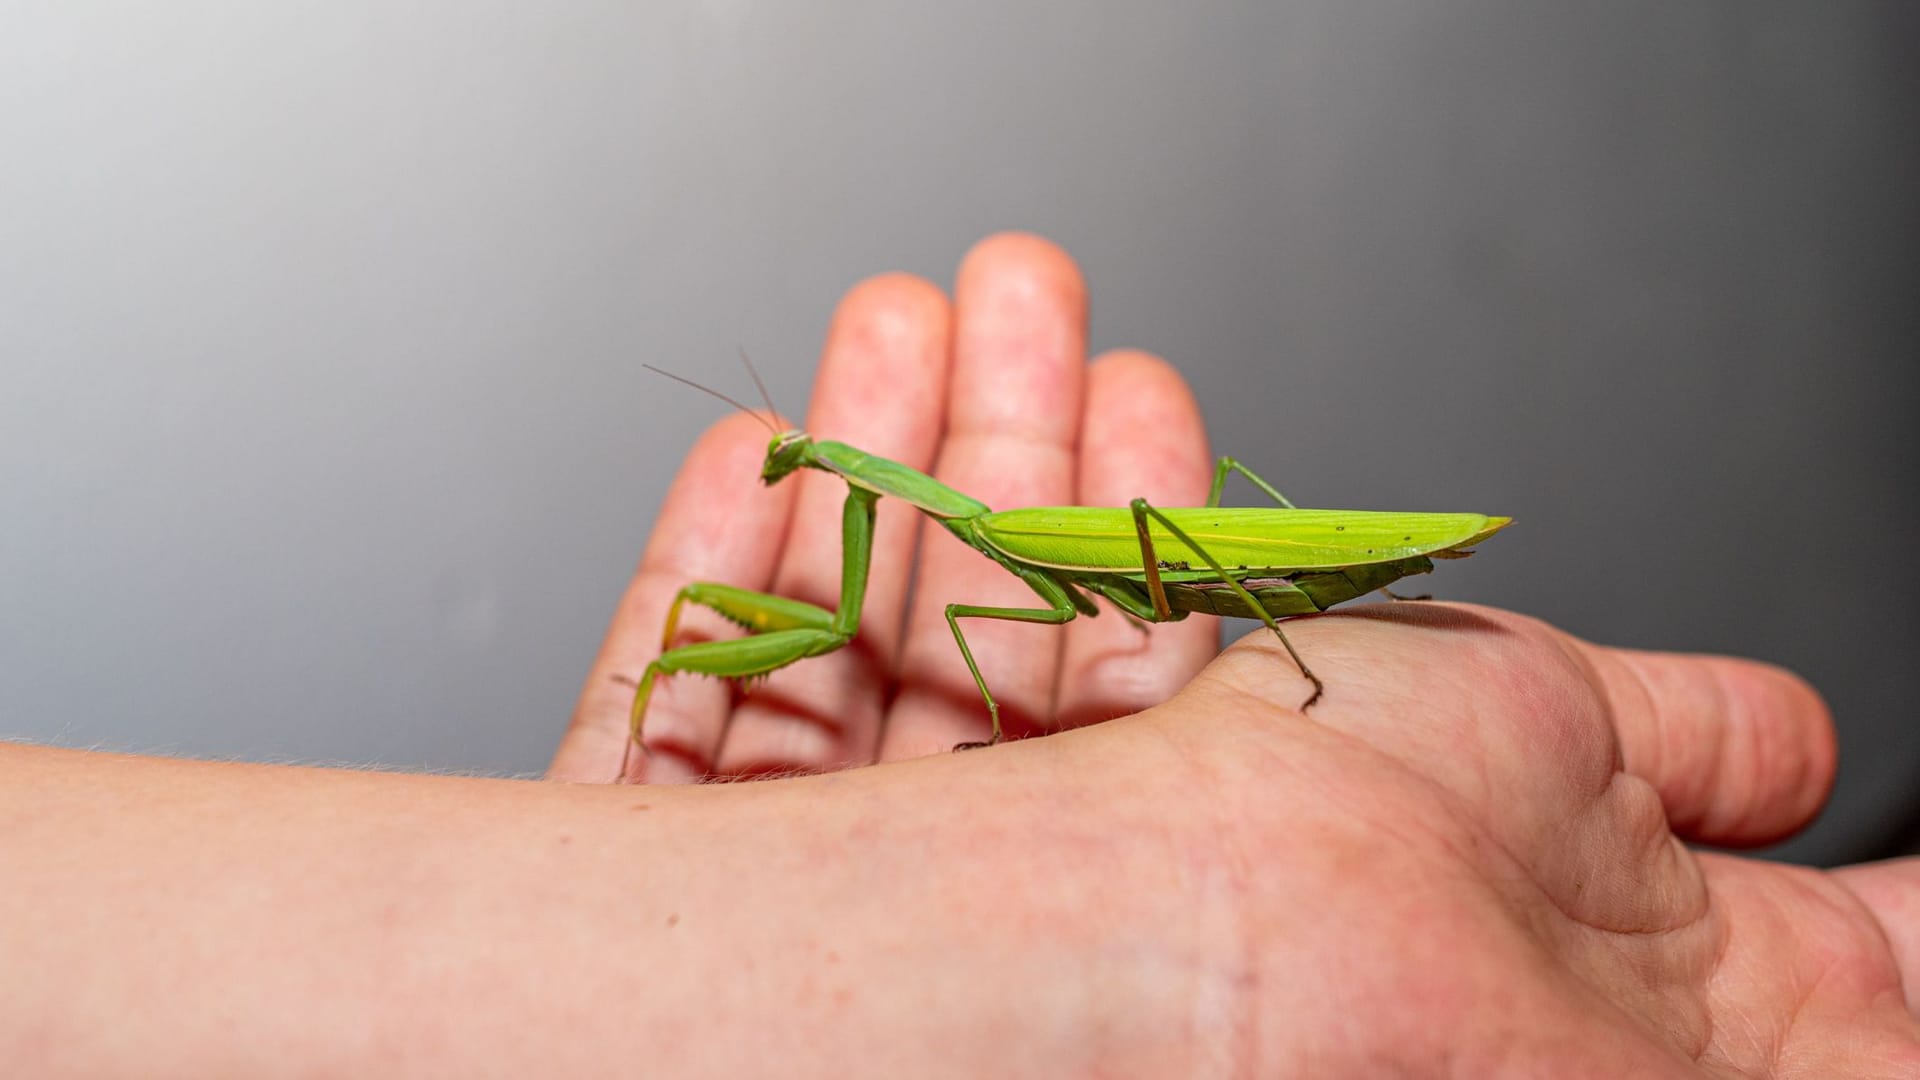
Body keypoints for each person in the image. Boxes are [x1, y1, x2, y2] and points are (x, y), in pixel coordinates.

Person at [4, 233, 1915, 1076]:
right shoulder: (919, 552)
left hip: (1221, 564)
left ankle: (1295, 623)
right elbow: (881, 622)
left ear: (850, 473)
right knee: (1053, 600)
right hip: (1182, 579)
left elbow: (964, 616)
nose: (820, 474)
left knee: (1143, 544)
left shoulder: (952, 543)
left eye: (817, 459)